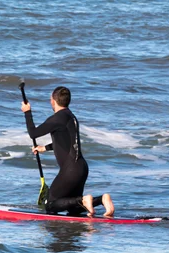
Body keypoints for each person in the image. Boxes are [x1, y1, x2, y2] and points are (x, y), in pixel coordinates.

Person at [22, 86, 115, 217]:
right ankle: (102, 200)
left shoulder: (57, 118)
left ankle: (83, 200)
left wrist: (27, 112)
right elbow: (65, 142)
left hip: (71, 170)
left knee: (50, 205)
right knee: (74, 210)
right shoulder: (71, 117)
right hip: (81, 167)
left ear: (53, 101)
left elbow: (33, 133)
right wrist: (45, 148)